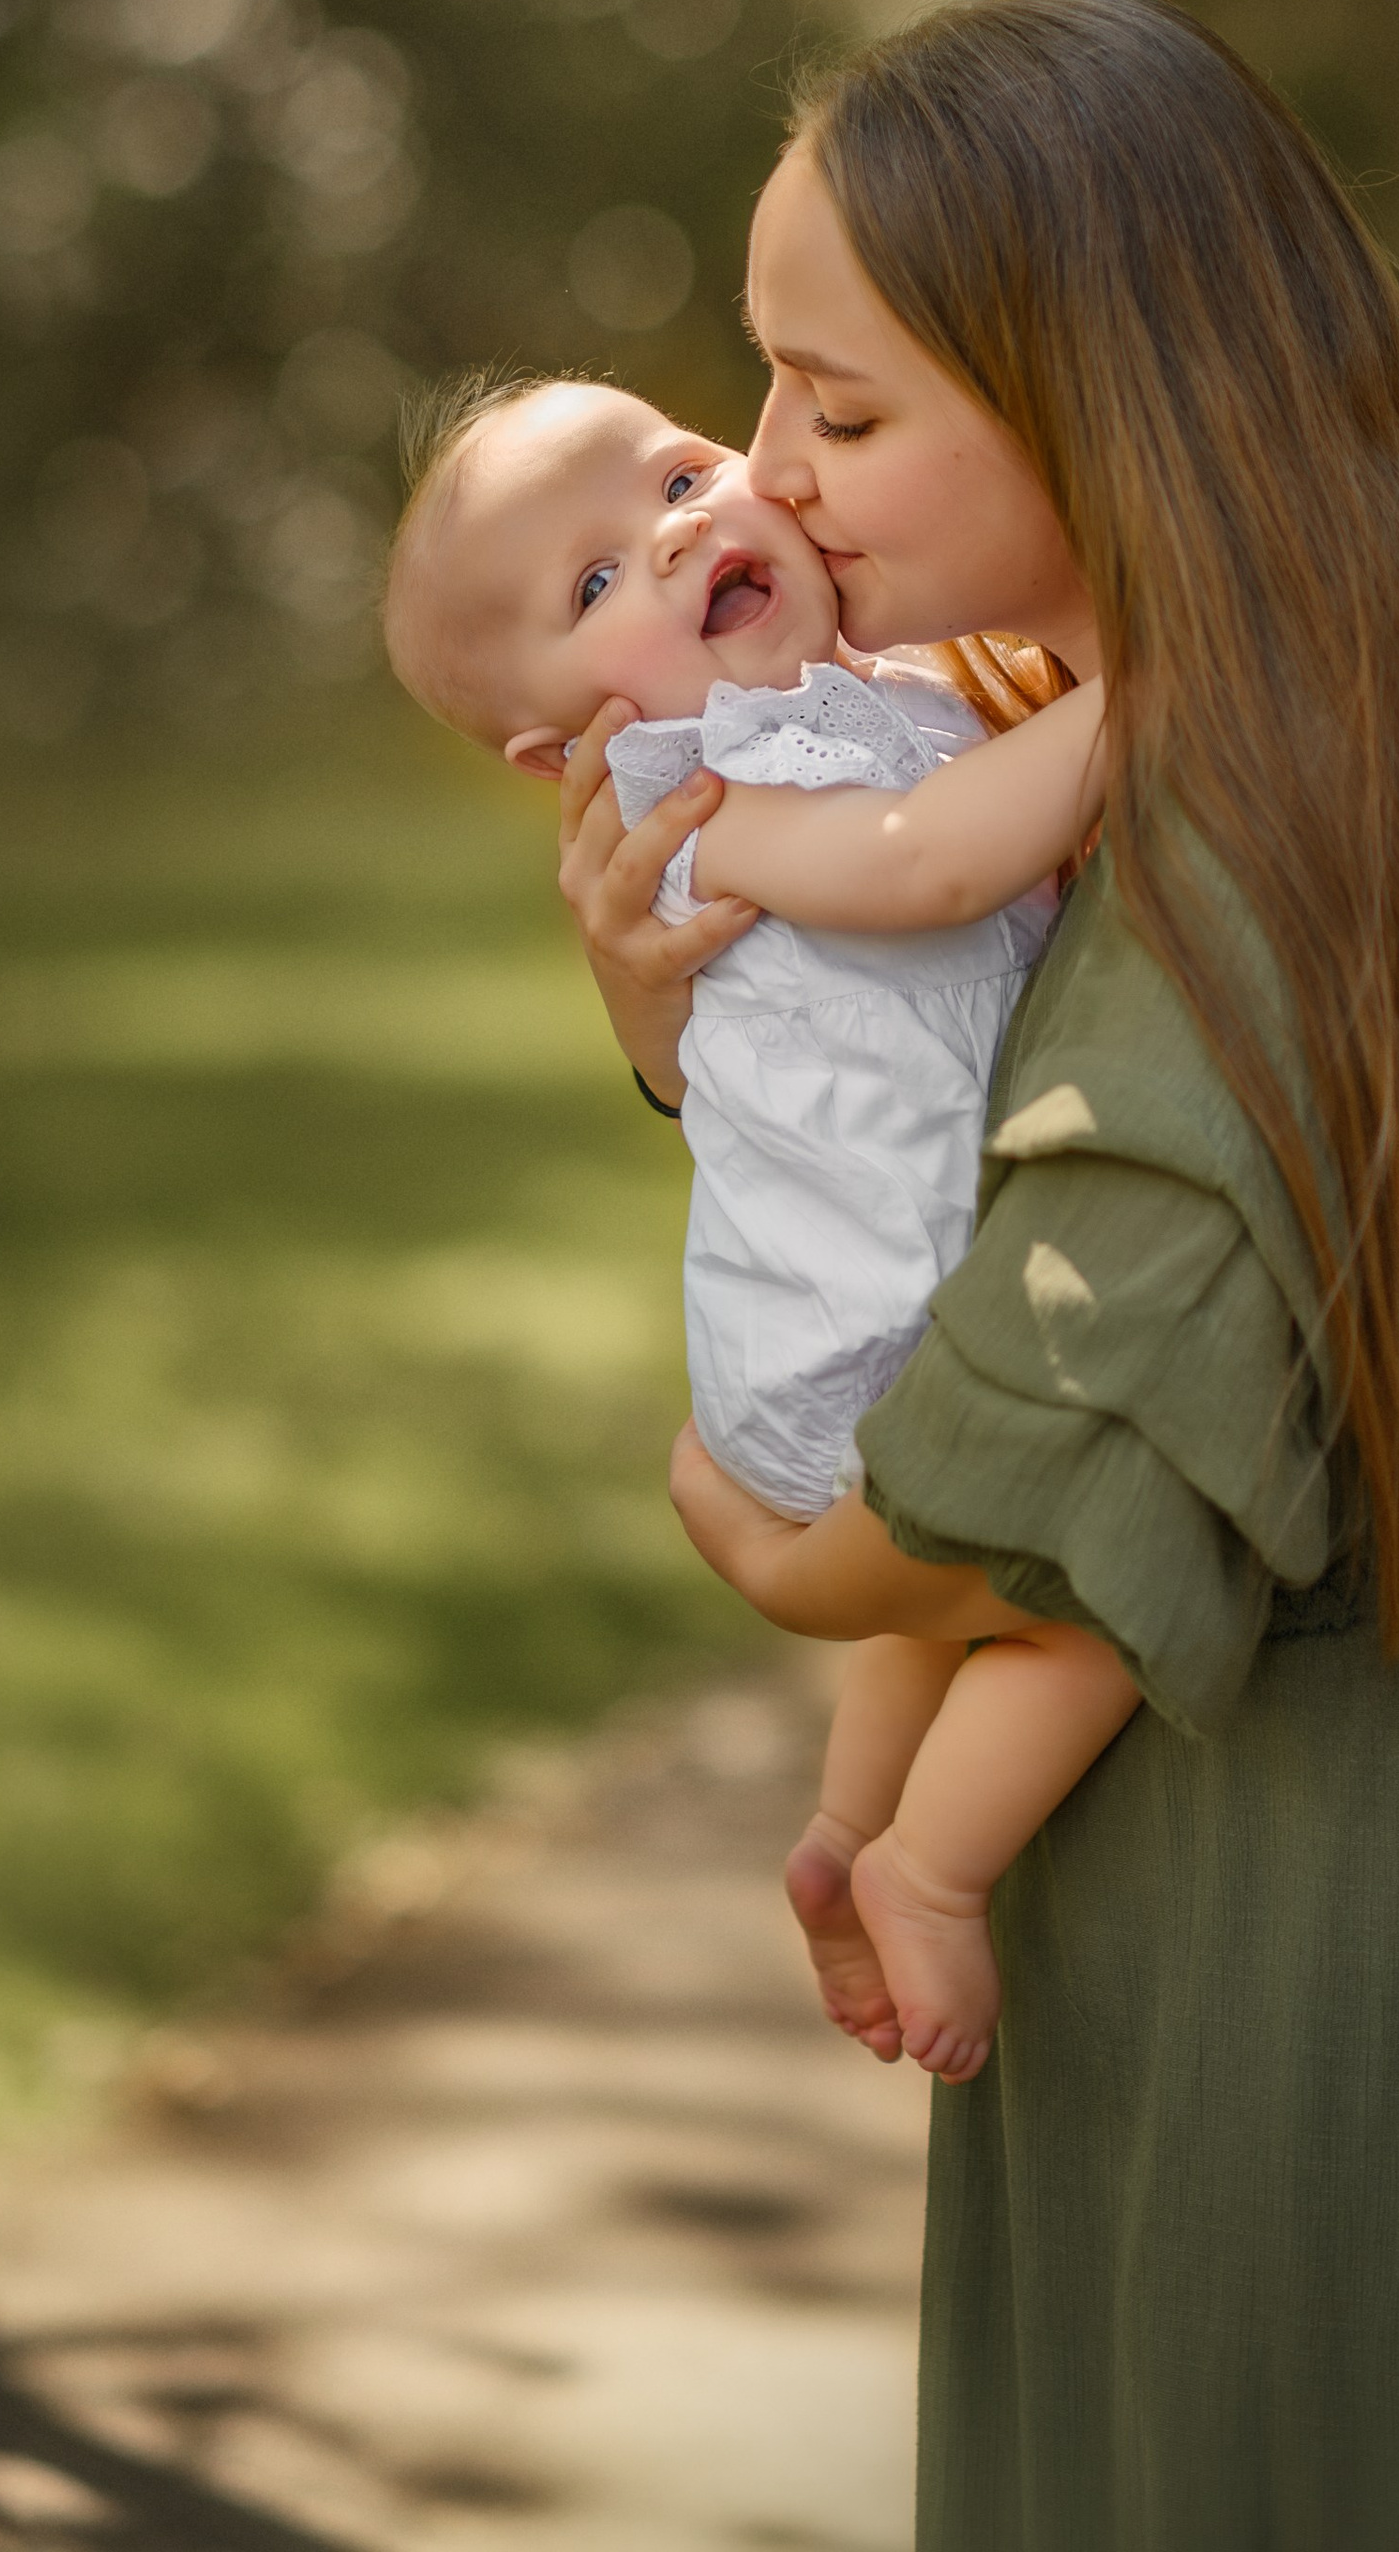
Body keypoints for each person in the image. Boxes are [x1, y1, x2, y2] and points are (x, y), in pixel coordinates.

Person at [561, 0, 1399, 2551]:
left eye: (841, 405)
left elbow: (1045, 1431)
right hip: (1312, 1859)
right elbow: (960, 1185)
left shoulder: (1241, 821)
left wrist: (776, 1555)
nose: (774, 484)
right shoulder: (1252, 699)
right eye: (764, 395)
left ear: (1095, 388)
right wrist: (683, 1046)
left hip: (1322, 1924)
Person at [380, 372, 1134, 2079]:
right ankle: (936, 1874)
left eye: (681, 472)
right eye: (590, 588)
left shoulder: (866, 691)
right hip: (871, 1329)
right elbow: (937, 863)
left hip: (860, 1312)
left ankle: (848, 1833)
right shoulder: (728, 783)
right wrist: (1154, 697)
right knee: (1089, 1600)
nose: (672, 538)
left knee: (939, 1614)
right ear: (563, 745)